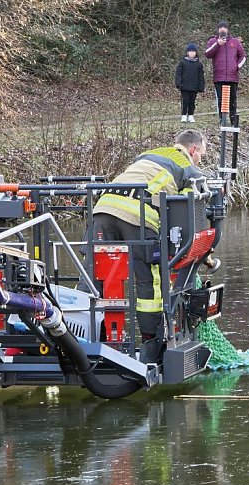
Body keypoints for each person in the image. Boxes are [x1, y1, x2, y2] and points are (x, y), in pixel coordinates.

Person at [92, 129, 207, 363]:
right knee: (149, 282)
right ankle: (150, 344)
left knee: (96, 274)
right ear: (193, 149)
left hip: (103, 208)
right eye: (201, 155)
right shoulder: (189, 169)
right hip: (138, 216)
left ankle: (88, 335)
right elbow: (188, 214)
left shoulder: (148, 155)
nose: (200, 161)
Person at [204, 20, 246, 120]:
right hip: (219, 76)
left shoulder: (235, 42)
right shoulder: (212, 41)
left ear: (228, 30)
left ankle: (233, 121)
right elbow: (207, 54)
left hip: (233, 77)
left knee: (232, 100)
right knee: (221, 101)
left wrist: (237, 66)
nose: (223, 30)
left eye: (225, 28)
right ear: (218, 30)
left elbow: (243, 56)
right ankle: (222, 121)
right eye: (220, 28)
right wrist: (218, 44)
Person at [175, 43, 205, 123]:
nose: (191, 53)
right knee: (184, 101)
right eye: (190, 51)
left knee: (192, 102)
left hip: (194, 87)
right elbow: (178, 74)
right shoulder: (182, 63)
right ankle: (184, 115)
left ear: (196, 53)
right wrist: (178, 83)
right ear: (187, 52)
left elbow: (201, 76)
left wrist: (201, 86)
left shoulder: (199, 64)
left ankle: (191, 115)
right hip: (184, 86)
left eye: (193, 51)